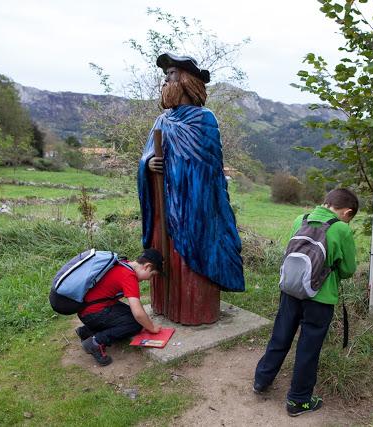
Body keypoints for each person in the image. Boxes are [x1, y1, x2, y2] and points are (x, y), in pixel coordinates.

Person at [137, 52, 245, 325]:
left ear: (186, 80)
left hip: (196, 207)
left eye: (171, 74)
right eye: (165, 74)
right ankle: (164, 306)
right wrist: (149, 166)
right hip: (165, 208)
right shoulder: (162, 121)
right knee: (167, 257)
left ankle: (194, 311)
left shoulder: (204, 120)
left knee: (193, 258)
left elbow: (208, 169)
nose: (165, 80)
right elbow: (147, 157)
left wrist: (178, 171)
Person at [253, 188, 359, 417]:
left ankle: (261, 380)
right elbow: (349, 269)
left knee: (280, 336)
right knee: (308, 348)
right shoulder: (341, 229)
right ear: (347, 212)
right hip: (320, 299)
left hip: (290, 291)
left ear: (326, 202)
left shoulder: (299, 219)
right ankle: (299, 400)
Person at [76, 249, 164, 366]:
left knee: (133, 318)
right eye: (152, 275)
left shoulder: (124, 263)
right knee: (136, 324)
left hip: (88, 309)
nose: (149, 279)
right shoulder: (128, 276)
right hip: (93, 313)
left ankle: (87, 331)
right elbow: (138, 313)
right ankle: (96, 342)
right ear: (147, 266)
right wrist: (151, 328)